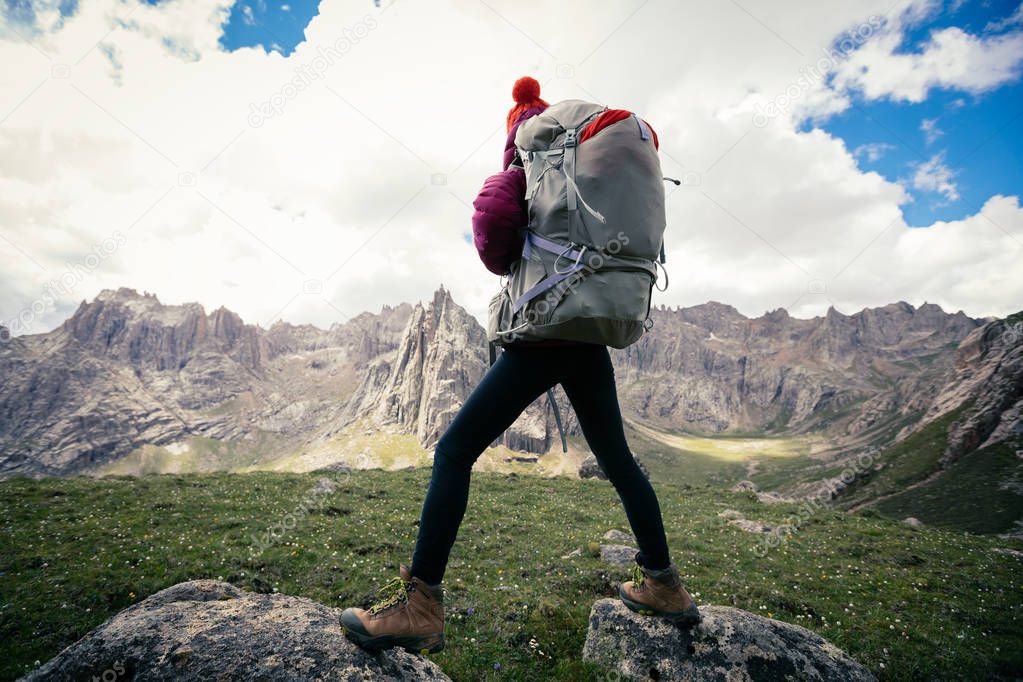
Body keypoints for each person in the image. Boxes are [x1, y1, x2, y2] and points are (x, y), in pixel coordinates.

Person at [340, 77, 700, 655]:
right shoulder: (579, 176)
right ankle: (664, 583)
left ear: (519, 134)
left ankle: (421, 606)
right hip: (587, 333)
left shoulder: (523, 171)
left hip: (540, 335)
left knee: (454, 451)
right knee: (618, 460)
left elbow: (491, 237)